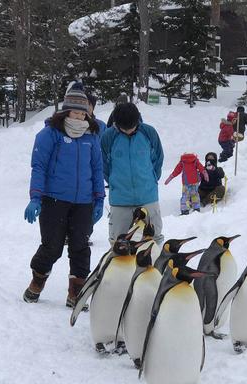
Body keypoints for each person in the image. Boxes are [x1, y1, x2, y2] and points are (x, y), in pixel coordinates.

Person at [23, 82, 105, 307]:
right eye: (75, 110)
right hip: (54, 200)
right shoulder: (50, 134)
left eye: (83, 111)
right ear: (66, 110)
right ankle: (37, 283)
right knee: (52, 246)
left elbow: (97, 169)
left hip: (84, 202)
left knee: (80, 247)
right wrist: (35, 197)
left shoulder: (92, 136)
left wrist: (99, 199)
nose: (79, 115)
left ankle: (75, 293)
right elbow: (38, 166)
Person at [101, 102, 165, 245]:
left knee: (153, 240)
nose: (129, 131)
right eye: (125, 128)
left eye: (132, 127)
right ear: (117, 124)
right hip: (120, 200)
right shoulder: (108, 137)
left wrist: (151, 179)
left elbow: (157, 160)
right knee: (119, 242)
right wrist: (115, 182)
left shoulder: (149, 132)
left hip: (148, 196)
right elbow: (104, 165)